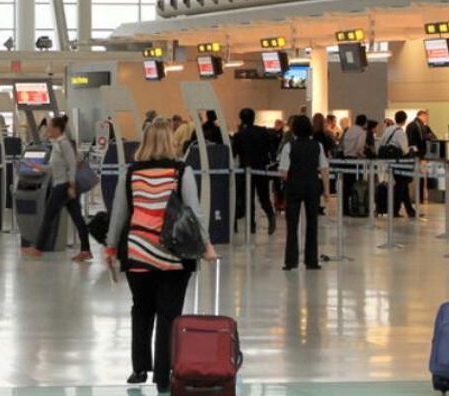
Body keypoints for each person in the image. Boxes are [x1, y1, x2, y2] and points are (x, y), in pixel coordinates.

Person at [107, 117, 216, 391]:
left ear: (144, 141)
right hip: (174, 254)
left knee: (141, 310)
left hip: (138, 252)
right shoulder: (181, 171)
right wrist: (206, 245)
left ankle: (139, 369)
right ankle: (163, 376)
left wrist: (110, 247)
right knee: (169, 314)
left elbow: (119, 214)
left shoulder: (130, 173)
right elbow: (194, 212)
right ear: (171, 140)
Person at [22, 114, 93, 261]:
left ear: (57, 128)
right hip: (64, 185)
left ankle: (38, 248)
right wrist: (36, 166)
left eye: (50, 127)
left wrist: (72, 185)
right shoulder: (57, 144)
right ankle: (86, 250)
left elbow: (72, 165)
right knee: (77, 218)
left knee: (48, 216)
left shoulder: (64, 143)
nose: (47, 129)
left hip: (63, 186)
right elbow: (54, 167)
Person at [279, 115, 332, 270]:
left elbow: (283, 172)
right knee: (312, 224)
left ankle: (290, 261)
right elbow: (324, 169)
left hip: (294, 187)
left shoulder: (289, 146)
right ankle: (311, 261)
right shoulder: (318, 146)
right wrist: (327, 191)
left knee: (292, 224)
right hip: (312, 186)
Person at [231, 108, 276, 235]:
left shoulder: (239, 135)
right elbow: (271, 149)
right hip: (261, 168)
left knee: (247, 198)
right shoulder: (263, 132)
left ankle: (251, 225)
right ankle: (271, 217)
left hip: (245, 169)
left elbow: (234, 153)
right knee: (264, 197)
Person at [379, 111, 416, 218]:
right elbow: (404, 150)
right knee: (401, 185)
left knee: (402, 186)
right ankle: (395, 210)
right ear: (405, 120)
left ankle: (409, 210)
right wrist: (412, 150)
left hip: (387, 160)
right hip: (397, 161)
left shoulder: (388, 129)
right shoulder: (400, 132)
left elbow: (381, 143)